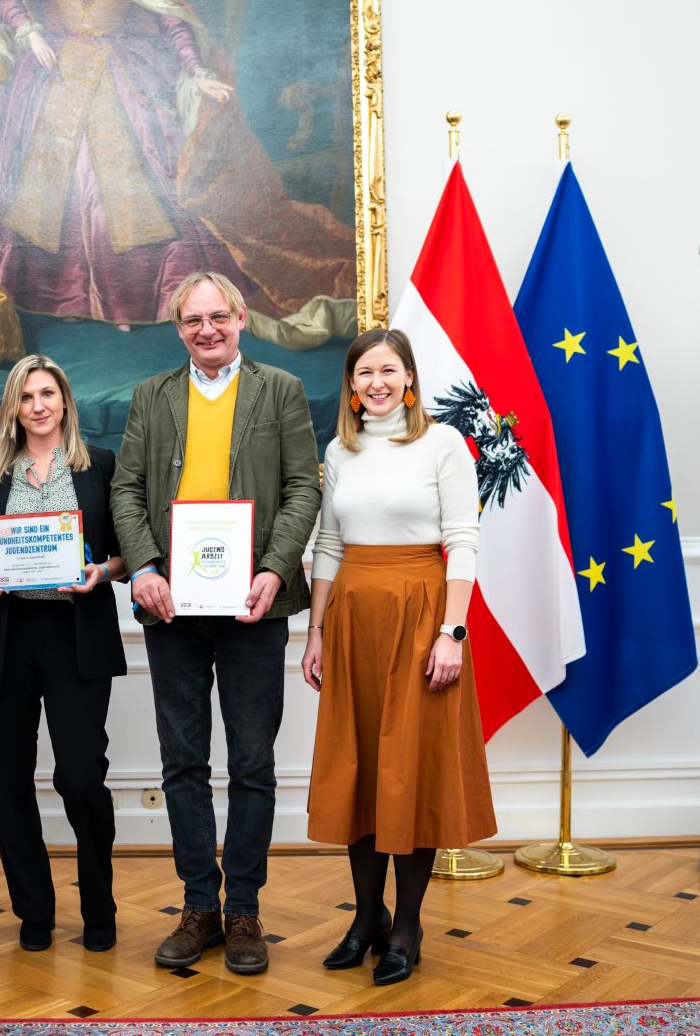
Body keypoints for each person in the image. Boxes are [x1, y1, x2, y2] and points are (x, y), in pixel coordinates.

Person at [109, 270, 322, 975]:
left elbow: (302, 486)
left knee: (253, 761)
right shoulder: (152, 396)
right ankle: (199, 903)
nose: (207, 329)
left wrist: (274, 567)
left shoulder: (280, 391)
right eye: (193, 320)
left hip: (253, 605)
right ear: (178, 328)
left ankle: (246, 911)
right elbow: (127, 488)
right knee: (183, 761)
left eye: (218, 316)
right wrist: (142, 568)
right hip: (171, 607)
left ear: (240, 318)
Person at [302, 328, 494, 987]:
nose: (376, 382)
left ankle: (408, 925)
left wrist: (452, 632)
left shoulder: (443, 444)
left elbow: (463, 540)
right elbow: (328, 542)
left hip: (420, 617)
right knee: (358, 769)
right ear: (351, 386)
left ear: (408, 377)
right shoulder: (339, 449)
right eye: (364, 373)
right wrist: (316, 630)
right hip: (354, 620)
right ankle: (366, 917)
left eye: (388, 370)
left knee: (409, 773)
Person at [0, 355, 125, 953]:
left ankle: (98, 906)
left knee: (81, 777)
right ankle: (34, 912)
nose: (38, 405)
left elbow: (129, 554)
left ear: (65, 402)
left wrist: (99, 571)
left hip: (76, 634)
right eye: (26, 395)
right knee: (11, 782)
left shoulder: (99, 467)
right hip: (7, 636)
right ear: (13, 406)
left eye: (47, 393)